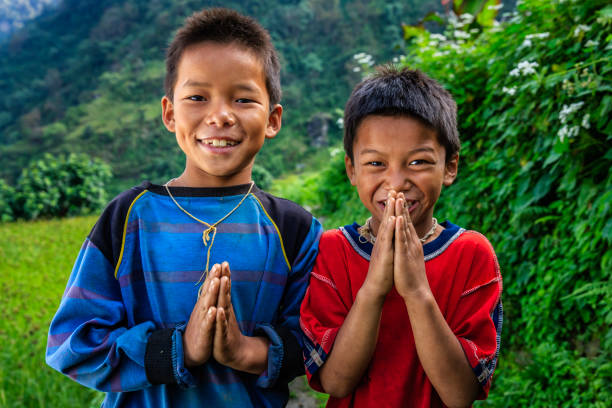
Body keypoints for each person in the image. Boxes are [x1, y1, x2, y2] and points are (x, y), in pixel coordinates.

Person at [46, 8, 322, 407]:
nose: (220, 116)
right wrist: (179, 350)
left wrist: (243, 351)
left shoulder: (295, 228)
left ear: (273, 119)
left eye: (243, 99)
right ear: (170, 114)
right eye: (197, 97)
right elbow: (71, 343)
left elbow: (315, 345)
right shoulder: (129, 218)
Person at [300, 66, 503, 408]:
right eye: (376, 164)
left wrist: (416, 291)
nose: (396, 182)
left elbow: (461, 395)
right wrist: (374, 289)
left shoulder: (471, 253)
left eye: (418, 162)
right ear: (352, 170)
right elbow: (334, 381)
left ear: (450, 167)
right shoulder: (333, 251)